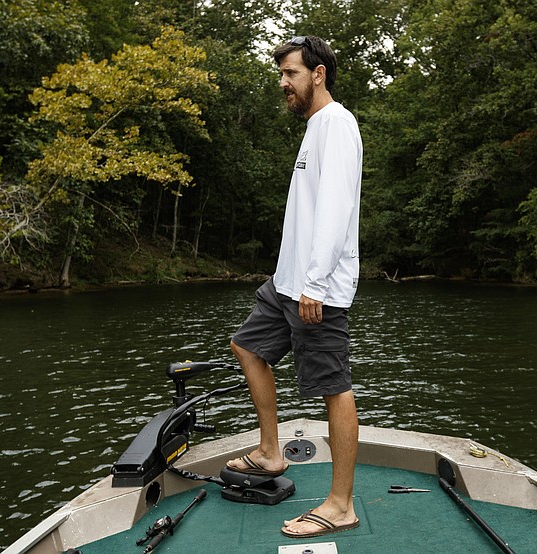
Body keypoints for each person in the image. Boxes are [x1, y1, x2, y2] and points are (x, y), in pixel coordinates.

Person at [226, 35, 363, 539]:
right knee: (246, 346)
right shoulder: (312, 128)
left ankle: (341, 504)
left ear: (318, 73)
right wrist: (292, 280)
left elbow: (335, 210)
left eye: (290, 73)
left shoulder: (337, 125)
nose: (283, 83)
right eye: (282, 74)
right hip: (287, 283)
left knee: (332, 387)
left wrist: (315, 285)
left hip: (315, 289)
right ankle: (270, 451)